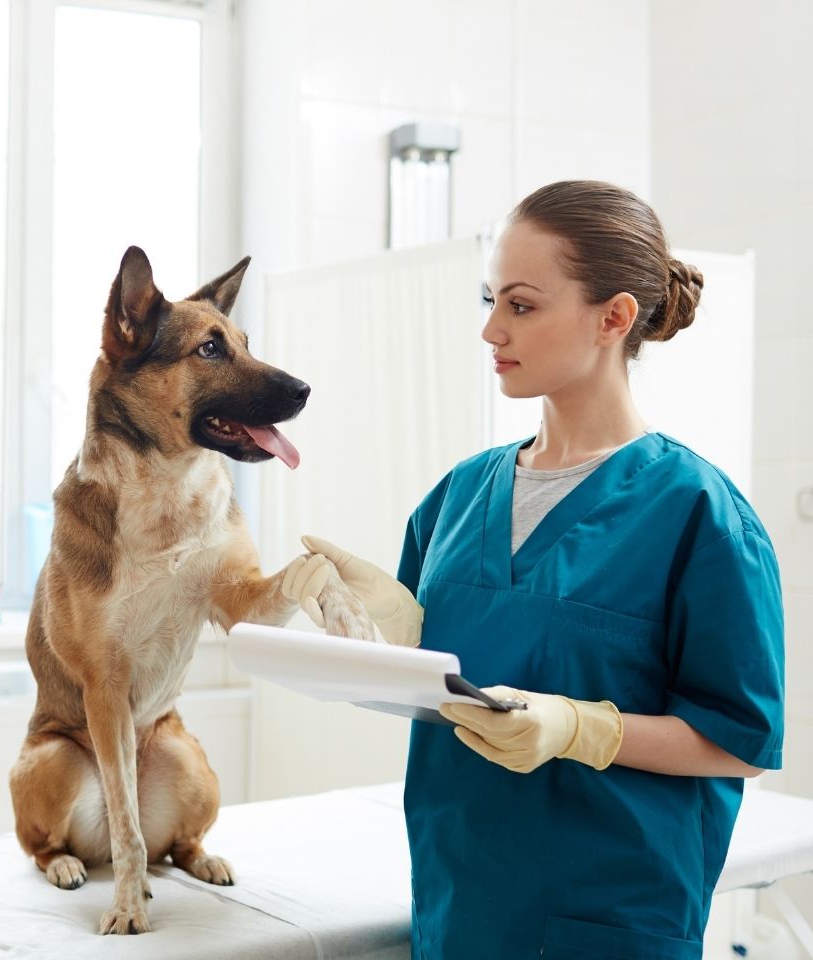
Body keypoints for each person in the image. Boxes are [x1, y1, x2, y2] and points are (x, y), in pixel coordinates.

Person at [285, 180, 785, 959]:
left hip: (607, 923)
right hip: (460, 907)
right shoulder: (458, 495)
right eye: (490, 299)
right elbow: (448, 688)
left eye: (520, 305)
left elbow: (742, 740)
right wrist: (395, 639)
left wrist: (583, 728)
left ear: (612, 318)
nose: (491, 329)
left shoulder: (697, 513)